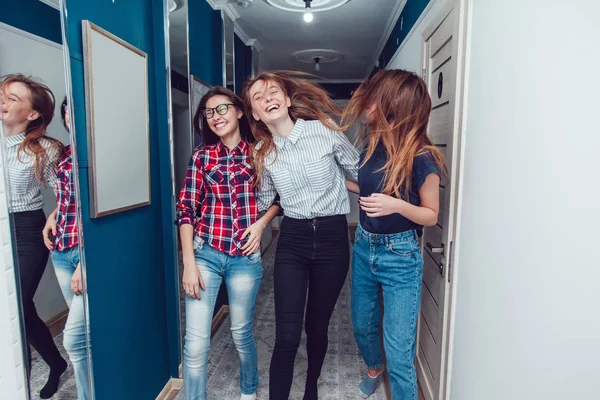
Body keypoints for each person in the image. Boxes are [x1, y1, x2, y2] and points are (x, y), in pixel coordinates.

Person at [242, 71, 360, 400]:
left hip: (334, 239)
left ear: (288, 99)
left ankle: (311, 389)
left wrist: (393, 198)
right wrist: (253, 221)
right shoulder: (261, 153)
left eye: (273, 92)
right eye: (259, 97)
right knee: (287, 335)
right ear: (254, 113)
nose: (268, 99)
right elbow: (266, 200)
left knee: (317, 325)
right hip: (292, 240)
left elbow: (359, 170)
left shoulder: (325, 132)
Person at [341, 69, 446, 400]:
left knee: (399, 349)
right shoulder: (373, 144)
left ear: (393, 104)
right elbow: (371, 189)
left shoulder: (422, 156)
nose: (367, 104)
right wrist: (337, 181)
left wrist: (396, 206)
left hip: (400, 254)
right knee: (361, 325)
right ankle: (374, 368)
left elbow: (430, 214)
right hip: (364, 245)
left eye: (375, 98)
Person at [176, 86, 279, 400]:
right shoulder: (202, 157)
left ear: (238, 112)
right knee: (195, 344)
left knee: (240, 333)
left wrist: (261, 225)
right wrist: (189, 265)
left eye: (221, 109)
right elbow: (185, 209)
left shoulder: (262, 152)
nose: (215, 117)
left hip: (245, 260)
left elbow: (280, 198)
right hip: (205, 254)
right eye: (209, 112)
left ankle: (249, 386)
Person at [0, 73, 67, 399]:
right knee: (18, 309)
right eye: (3, 94)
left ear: (32, 113)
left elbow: (68, 192)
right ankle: (55, 364)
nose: (3, 101)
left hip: (28, 231)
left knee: (15, 306)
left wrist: (54, 215)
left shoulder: (45, 150)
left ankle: (18, 389)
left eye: (13, 98)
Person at [42, 96, 90, 399]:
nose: (71, 115)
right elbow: (67, 200)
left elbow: (101, 214)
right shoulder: (63, 155)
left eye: (78, 109)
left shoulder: (102, 156)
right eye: (67, 111)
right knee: (84, 333)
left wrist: (86, 263)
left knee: (72, 338)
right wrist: (53, 215)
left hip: (87, 254)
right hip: (61, 249)